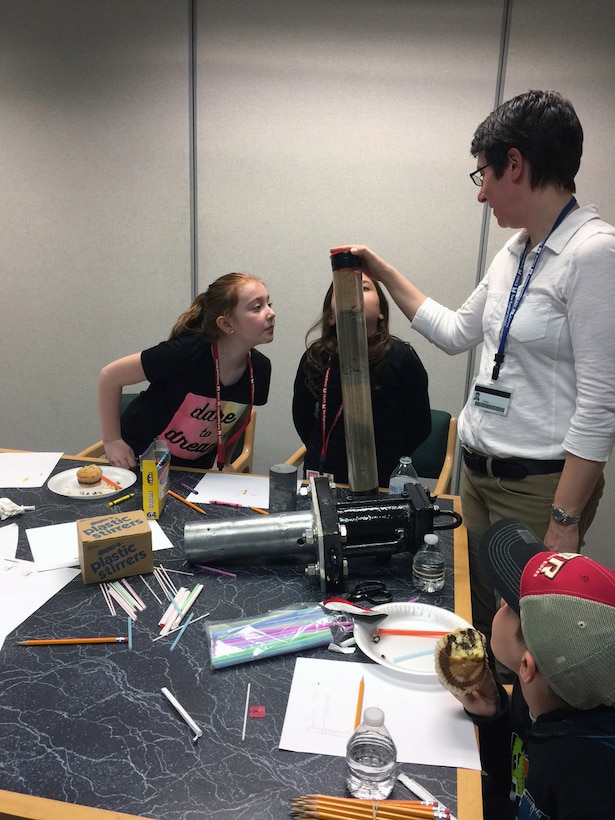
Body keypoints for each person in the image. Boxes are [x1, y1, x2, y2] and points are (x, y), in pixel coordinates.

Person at [336, 89, 615, 641]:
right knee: (483, 620)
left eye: (483, 174)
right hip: (479, 477)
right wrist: (382, 271)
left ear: (516, 163)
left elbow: (601, 404)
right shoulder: (517, 250)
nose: (481, 193)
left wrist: (563, 521)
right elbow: (456, 330)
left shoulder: (593, 253)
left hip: (538, 489)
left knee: (530, 636)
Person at [453, 517, 615, 819]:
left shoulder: (591, 789)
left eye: (511, 605)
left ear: (527, 664)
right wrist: (493, 717)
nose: (501, 601)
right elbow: (515, 778)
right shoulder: (539, 690)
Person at [98, 272, 275, 470]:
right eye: (257, 307)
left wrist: (222, 460)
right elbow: (110, 376)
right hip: (138, 459)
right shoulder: (185, 353)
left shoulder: (259, 369)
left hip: (191, 470)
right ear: (226, 324)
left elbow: (239, 413)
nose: (271, 313)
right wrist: (112, 441)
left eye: (269, 304)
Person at [292, 272, 431, 488]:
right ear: (331, 316)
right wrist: (318, 447)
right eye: (343, 291)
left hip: (382, 475)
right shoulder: (317, 357)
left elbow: (419, 425)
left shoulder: (401, 357)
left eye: (364, 288)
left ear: (381, 312)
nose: (353, 293)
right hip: (323, 469)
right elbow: (301, 415)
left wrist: (391, 454)